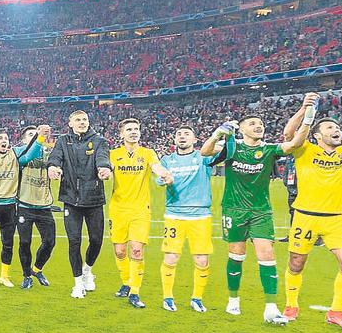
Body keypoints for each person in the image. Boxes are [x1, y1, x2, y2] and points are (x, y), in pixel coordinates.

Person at [279, 98, 342, 332]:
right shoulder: (305, 149)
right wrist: (304, 109)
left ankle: (336, 312)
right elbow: (289, 133)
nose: (336, 130)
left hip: (336, 220)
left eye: (338, 128)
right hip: (305, 216)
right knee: (296, 263)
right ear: (317, 135)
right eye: (330, 127)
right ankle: (291, 306)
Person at [200, 113, 292, 324]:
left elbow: (292, 145)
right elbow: (205, 152)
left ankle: (271, 307)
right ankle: (233, 300)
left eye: (261, 123)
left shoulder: (269, 148)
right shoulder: (233, 147)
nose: (258, 126)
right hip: (234, 209)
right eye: (252, 123)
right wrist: (217, 134)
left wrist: (307, 117)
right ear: (241, 129)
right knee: (236, 255)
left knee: (267, 254)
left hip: (261, 210)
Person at [0, 116, 48, 288]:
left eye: (6, 138)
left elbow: (31, 153)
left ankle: (4, 276)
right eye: (0, 138)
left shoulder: (15, 155)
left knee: (8, 243)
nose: (4, 140)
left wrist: (40, 137)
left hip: (9, 206)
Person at [47, 110, 112, 299]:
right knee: (74, 241)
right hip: (71, 199)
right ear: (70, 123)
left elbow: (103, 158)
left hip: (93, 198)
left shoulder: (99, 140)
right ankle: (77, 284)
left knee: (96, 240)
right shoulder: (62, 141)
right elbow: (54, 158)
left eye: (84, 119)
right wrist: (53, 168)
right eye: (78, 120)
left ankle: (87, 270)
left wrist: (104, 168)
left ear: (88, 122)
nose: (82, 122)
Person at [106, 118, 171, 309]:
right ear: (121, 134)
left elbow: (156, 167)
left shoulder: (148, 153)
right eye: (129, 129)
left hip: (140, 210)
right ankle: (126, 281)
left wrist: (163, 173)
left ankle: (135, 292)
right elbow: (107, 170)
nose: (133, 132)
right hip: (118, 209)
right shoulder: (113, 154)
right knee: (119, 251)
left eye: (136, 129)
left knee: (136, 249)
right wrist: (105, 173)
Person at [156, 126, 216, 313]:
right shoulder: (167, 160)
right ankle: (167, 297)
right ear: (175, 140)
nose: (182, 137)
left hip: (200, 216)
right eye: (179, 134)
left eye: (186, 134)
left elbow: (222, 152)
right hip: (174, 215)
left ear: (195, 139)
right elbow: (159, 179)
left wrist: (221, 135)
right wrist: (166, 180)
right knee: (171, 257)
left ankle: (197, 298)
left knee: (201, 260)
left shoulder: (204, 157)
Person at [15, 125, 57, 289]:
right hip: (24, 204)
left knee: (50, 242)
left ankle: (37, 269)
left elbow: (58, 163)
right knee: (25, 242)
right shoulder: (19, 152)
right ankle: (26, 276)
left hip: (44, 205)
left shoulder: (50, 153)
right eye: (30, 135)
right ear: (23, 139)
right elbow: (26, 158)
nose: (35, 136)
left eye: (36, 134)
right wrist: (38, 137)